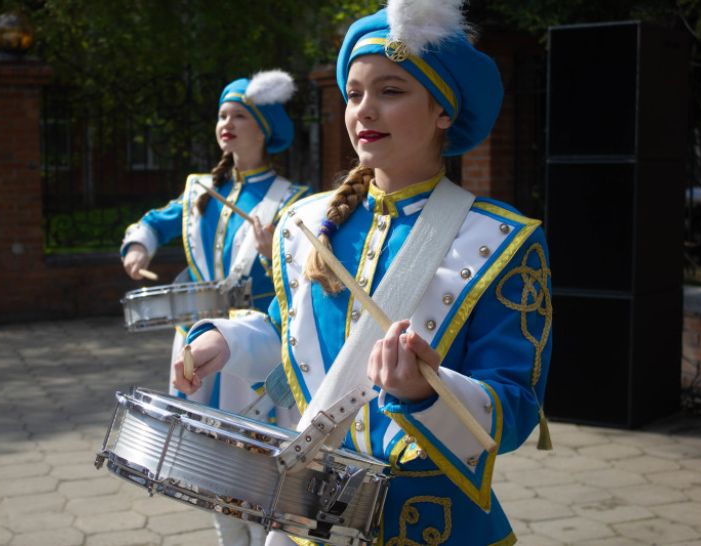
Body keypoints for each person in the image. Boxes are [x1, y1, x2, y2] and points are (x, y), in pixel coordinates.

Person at [174, 1, 553, 544]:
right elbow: (289, 337)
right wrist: (224, 341)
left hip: (437, 525)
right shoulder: (302, 224)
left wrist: (427, 392)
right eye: (354, 94)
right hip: (311, 520)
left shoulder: (501, 240)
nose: (363, 111)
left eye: (390, 91)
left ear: (443, 110)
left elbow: (514, 409)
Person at [121, 69, 309, 546]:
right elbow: (155, 222)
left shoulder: (293, 200)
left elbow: (309, 274)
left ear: (264, 128)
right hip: (197, 338)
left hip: (256, 344)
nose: (226, 122)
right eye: (222, 114)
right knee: (208, 462)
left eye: (240, 115)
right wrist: (138, 247)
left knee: (255, 458)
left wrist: (273, 252)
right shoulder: (200, 191)